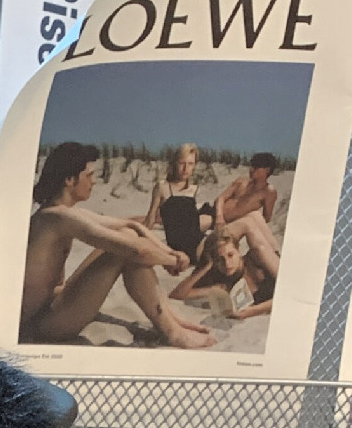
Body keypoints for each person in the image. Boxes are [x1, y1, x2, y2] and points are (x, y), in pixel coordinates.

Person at [19, 140, 214, 348]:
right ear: (70, 180)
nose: (94, 181)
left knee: (126, 234)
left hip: (55, 301)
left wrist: (171, 252)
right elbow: (137, 250)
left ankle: (171, 319)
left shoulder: (64, 212)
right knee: (124, 252)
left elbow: (131, 224)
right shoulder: (58, 218)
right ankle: (171, 331)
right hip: (42, 323)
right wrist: (172, 261)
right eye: (89, 175)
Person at [171, 217, 279, 321]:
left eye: (230, 255)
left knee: (252, 221)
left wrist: (252, 311)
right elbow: (177, 295)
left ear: (238, 251)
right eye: (220, 259)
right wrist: (205, 267)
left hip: (282, 269)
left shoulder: (256, 258)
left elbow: (286, 292)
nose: (227, 264)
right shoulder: (223, 284)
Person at [145, 142, 204, 261]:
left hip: (198, 245)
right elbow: (150, 220)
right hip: (176, 249)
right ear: (175, 163)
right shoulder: (162, 187)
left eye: (190, 164)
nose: (185, 168)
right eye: (182, 163)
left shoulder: (195, 190)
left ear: (194, 166)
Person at [215, 151, 281, 229]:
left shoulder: (268, 192)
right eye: (251, 166)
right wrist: (219, 217)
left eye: (256, 167)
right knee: (203, 223)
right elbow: (221, 198)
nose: (251, 169)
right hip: (215, 214)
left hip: (234, 225)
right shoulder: (241, 181)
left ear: (267, 170)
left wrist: (242, 225)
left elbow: (266, 218)